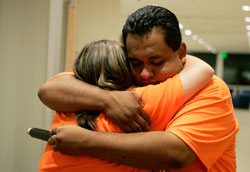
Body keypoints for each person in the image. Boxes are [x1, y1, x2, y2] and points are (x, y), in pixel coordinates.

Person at [39, 5, 239, 172]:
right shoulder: (125, 89)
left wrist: (87, 140)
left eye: (156, 62)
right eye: (135, 63)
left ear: (181, 52)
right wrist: (107, 99)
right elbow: (50, 90)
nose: (144, 73)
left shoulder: (211, 90)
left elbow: (176, 153)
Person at [39, 39, 213, 172]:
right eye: (136, 64)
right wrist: (177, 53)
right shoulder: (140, 102)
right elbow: (203, 69)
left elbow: (46, 90)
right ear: (125, 72)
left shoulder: (65, 107)